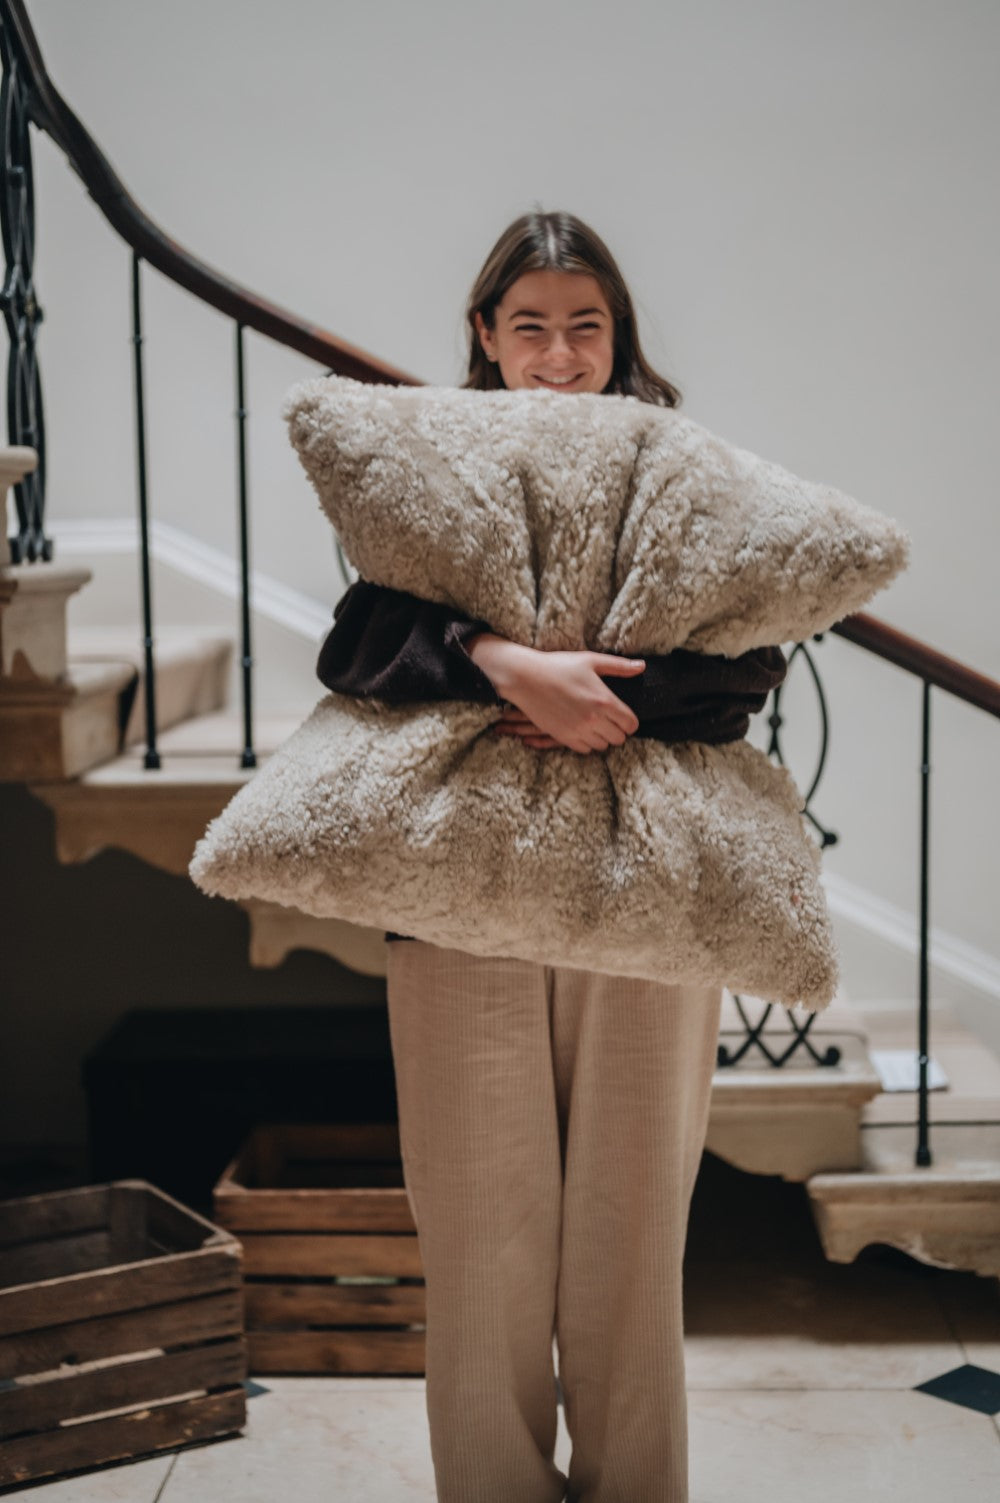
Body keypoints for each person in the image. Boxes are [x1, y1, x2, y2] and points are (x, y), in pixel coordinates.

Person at [318, 210, 787, 1503]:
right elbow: (358, 641)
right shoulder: (427, 458)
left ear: (619, 334)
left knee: (632, 1248)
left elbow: (750, 661)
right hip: (462, 891)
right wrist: (499, 661)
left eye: (587, 325)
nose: (561, 352)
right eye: (531, 324)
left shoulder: (680, 466)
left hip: (647, 890)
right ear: (485, 334)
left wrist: (598, 703)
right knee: (481, 1246)